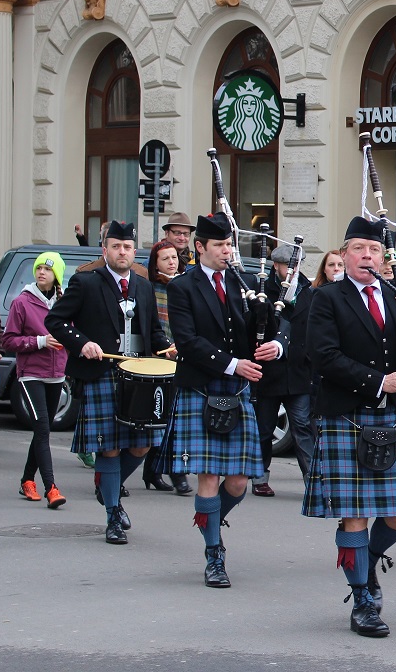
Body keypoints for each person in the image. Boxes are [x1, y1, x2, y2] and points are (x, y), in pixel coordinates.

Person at [303, 217, 396, 638]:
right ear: (345, 254)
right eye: (360, 249)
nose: (368, 256)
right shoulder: (327, 299)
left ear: (384, 258)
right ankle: (362, 596)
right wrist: (379, 382)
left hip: (395, 418)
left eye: (375, 251)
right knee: (355, 516)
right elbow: (322, 356)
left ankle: (365, 557)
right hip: (347, 416)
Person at [156, 213, 285, 587]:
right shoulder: (183, 287)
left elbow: (278, 324)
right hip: (203, 388)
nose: (228, 251)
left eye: (230, 244)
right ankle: (214, 552)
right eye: (220, 246)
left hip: (239, 391)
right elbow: (188, 341)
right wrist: (233, 365)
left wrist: (275, 342)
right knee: (209, 475)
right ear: (200, 247)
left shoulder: (243, 282)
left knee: (240, 480)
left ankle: (208, 518)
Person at [46, 221, 173, 544]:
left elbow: (153, 331)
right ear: (105, 251)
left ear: (134, 252)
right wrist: (82, 342)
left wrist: (166, 349)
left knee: (143, 444)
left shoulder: (144, 287)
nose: (122, 252)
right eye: (116, 247)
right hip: (102, 372)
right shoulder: (86, 283)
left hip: (138, 376)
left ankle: (108, 488)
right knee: (110, 446)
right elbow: (55, 320)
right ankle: (113, 513)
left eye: (127, 247)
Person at [5, 252, 69, 508]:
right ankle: (51, 487)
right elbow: (9, 340)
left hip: (57, 375)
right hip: (31, 373)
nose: (42, 272)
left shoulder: (64, 302)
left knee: (43, 430)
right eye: (39, 267)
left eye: (48, 269)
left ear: (58, 275)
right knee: (42, 428)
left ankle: (26, 480)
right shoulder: (22, 302)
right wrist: (40, 341)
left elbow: (72, 333)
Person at [254, 244, 316, 494]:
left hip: (300, 370)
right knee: (264, 428)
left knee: (302, 425)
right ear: (276, 266)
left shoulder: (308, 292)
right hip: (269, 372)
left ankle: (312, 479)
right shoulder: (263, 291)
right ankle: (260, 477)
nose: (291, 271)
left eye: (296, 266)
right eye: (286, 267)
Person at [143, 240, 191, 495]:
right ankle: (172, 471)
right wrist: (166, 346)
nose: (171, 262)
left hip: (184, 358)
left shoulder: (185, 285)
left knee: (175, 418)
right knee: (159, 418)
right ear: (156, 264)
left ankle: (156, 469)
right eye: (165, 259)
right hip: (159, 359)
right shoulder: (150, 288)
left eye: (174, 257)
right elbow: (152, 325)